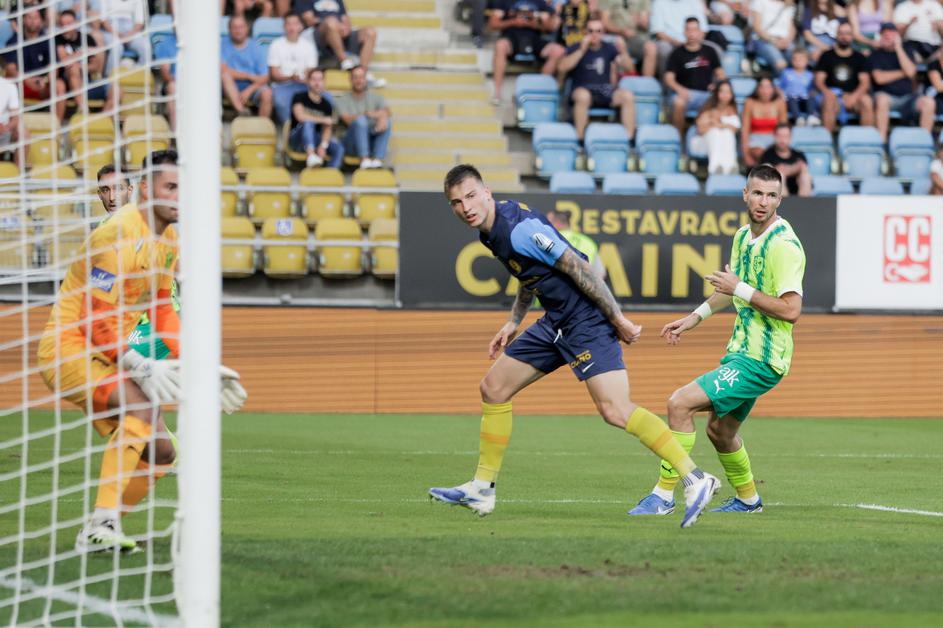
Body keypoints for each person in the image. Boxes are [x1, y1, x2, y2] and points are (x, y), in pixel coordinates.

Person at [429, 164, 721, 528]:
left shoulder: (518, 229)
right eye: (457, 202)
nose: (466, 207)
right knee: (493, 388)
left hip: (586, 319)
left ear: (486, 192)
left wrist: (617, 319)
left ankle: (695, 478)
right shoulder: (491, 230)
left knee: (615, 410)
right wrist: (514, 321)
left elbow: (580, 268)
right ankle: (481, 489)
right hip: (555, 321)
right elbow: (527, 274)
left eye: (471, 196)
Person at [37, 150, 247, 554]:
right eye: (171, 187)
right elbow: (93, 319)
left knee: (163, 452)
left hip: (107, 352)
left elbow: (163, 308)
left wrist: (196, 364)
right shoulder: (115, 235)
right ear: (147, 189)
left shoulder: (169, 240)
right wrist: (139, 362)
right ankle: (101, 525)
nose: (180, 197)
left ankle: (101, 527)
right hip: (68, 347)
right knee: (142, 410)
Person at [628, 164, 805, 517]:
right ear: (745, 194)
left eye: (771, 196)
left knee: (679, 404)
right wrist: (694, 318)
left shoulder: (784, 246)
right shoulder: (742, 237)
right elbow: (730, 290)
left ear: (780, 200)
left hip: (762, 358)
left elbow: (791, 310)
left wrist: (739, 288)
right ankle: (748, 499)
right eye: (757, 193)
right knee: (720, 431)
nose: (763, 202)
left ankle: (665, 496)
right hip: (742, 351)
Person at [557, 17, 637, 143]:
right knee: (583, 96)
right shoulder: (576, 47)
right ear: (585, 32)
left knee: (627, 95)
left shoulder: (609, 48)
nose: (594, 34)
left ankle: (629, 140)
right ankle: (580, 139)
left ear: (603, 33)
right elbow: (562, 67)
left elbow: (630, 68)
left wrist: (624, 51)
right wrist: (581, 50)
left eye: (598, 31)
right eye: (591, 31)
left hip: (604, 90)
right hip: (583, 90)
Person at [869, 22, 935, 142]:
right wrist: (903, 72)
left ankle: (924, 142)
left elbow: (911, 72)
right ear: (880, 36)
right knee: (882, 100)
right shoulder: (876, 54)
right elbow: (879, 78)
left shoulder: (906, 50)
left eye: (891, 33)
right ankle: (881, 142)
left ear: (897, 36)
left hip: (908, 98)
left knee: (928, 102)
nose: (888, 36)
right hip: (888, 98)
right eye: (885, 34)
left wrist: (898, 48)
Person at [488, 0, 561, 105]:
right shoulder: (504, 2)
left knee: (557, 51)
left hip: (534, 39)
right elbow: (492, 24)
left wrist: (534, 24)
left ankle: (539, 91)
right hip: (511, 38)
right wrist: (513, 22)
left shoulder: (540, 2)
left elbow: (550, 27)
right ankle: (497, 93)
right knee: (500, 45)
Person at [3, 6, 67, 122]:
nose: (33, 21)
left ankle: (57, 127)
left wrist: (45, 80)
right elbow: (11, 69)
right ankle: (11, 126)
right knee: (8, 82)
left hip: (43, 85)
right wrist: (28, 80)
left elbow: (54, 68)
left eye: (36, 17)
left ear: (41, 20)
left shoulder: (48, 41)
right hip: (22, 85)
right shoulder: (13, 41)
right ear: (23, 19)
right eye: (29, 17)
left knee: (59, 85)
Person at [664, 17, 725, 133]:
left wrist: (716, 85)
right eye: (688, 30)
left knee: (718, 99)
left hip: (705, 94)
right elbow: (668, 78)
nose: (691, 33)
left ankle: (700, 134)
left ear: (700, 32)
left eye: (694, 30)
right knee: (678, 102)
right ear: (684, 32)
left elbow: (721, 74)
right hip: (685, 95)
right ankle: (678, 137)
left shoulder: (710, 51)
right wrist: (680, 89)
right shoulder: (676, 53)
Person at [814, 20, 873, 133]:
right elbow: (819, 81)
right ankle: (828, 139)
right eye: (841, 33)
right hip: (832, 96)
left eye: (847, 33)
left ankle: (866, 139)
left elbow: (865, 82)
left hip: (853, 96)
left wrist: (854, 97)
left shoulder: (859, 57)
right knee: (829, 101)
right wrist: (828, 93)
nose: (844, 37)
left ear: (852, 36)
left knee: (867, 101)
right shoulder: (826, 56)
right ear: (836, 35)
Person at [295, 0, 379, 79]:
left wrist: (345, 28)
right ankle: (344, 61)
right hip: (319, 34)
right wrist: (333, 24)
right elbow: (309, 20)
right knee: (331, 22)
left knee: (370, 32)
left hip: (339, 32)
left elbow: (345, 19)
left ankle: (361, 72)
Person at [56, 9, 117, 113]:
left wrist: (80, 66)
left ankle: (102, 119)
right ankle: (83, 110)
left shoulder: (87, 39)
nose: (65, 28)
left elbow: (95, 66)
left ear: (76, 24)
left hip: (87, 83)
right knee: (73, 68)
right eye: (62, 24)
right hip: (67, 87)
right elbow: (65, 61)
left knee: (117, 91)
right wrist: (81, 54)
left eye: (68, 24)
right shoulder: (57, 39)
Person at [268, 12, 320, 125]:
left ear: (300, 26)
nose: (292, 27)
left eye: (295, 24)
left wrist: (304, 78)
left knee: (325, 97)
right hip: (282, 86)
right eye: (289, 24)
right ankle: (290, 128)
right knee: (281, 102)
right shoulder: (276, 45)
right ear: (284, 26)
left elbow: (311, 71)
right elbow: (274, 74)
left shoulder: (309, 46)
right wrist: (291, 77)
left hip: (304, 85)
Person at [335, 65, 390, 169]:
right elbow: (347, 120)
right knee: (360, 121)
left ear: (365, 79)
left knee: (387, 120)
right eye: (355, 77)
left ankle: (377, 159)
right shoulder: (342, 99)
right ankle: (364, 159)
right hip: (351, 144)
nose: (358, 80)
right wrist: (369, 114)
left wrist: (382, 117)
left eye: (361, 77)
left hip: (370, 140)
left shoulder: (375, 97)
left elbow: (387, 112)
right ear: (350, 79)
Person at [289, 67, 343, 168]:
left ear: (324, 82)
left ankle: (332, 172)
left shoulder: (327, 104)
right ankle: (311, 155)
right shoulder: (299, 97)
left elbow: (328, 126)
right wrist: (323, 119)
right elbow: (300, 117)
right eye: (314, 79)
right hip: (297, 140)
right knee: (308, 122)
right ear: (308, 81)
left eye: (320, 79)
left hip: (316, 138)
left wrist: (323, 146)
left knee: (338, 148)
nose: (317, 83)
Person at [221, 15, 274, 118]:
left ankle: (261, 126)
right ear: (229, 29)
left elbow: (264, 77)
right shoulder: (221, 44)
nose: (238, 30)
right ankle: (242, 112)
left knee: (267, 93)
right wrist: (249, 76)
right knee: (225, 76)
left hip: (252, 86)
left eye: (241, 27)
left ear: (247, 28)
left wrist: (249, 90)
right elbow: (223, 70)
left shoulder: (257, 47)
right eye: (235, 27)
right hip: (226, 86)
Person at [692, 79, 741, 174]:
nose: (725, 95)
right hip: (702, 143)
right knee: (715, 133)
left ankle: (731, 167)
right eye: (722, 91)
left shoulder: (732, 110)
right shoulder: (708, 109)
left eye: (728, 92)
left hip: (722, 142)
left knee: (727, 133)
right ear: (716, 93)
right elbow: (700, 130)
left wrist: (719, 125)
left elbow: (735, 129)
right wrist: (713, 125)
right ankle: (715, 168)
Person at [649, 0, 710, 77]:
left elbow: (703, 29)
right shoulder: (659, 2)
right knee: (664, 48)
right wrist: (678, 43)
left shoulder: (695, 2)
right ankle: (666, 82)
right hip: (669, 42)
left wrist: (693, 42)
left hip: (693, 40)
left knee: (714, 49)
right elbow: (658, 32)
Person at [545, 208, 606, 280]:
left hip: (558, 284)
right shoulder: (588, 241)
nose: (543, 224)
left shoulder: (550, 238)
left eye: (547, 221)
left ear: (557, 222)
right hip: (584, 284)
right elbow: (601, 273)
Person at [741, 77, 787, 168]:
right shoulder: (750, 102)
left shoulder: (780, 103)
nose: (765, 91)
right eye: (762, 87)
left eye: (768, 87)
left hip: (774, 138)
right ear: (757, 89)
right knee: (762, 154)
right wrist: (745, 153)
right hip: (756, 139)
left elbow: (784, 129)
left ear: (773, 89)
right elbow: (745, 129)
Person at [599, 0, 654, 76]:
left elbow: (645, 23)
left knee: (651, 47)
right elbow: (605, 22)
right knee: (620, 44)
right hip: (615, 36)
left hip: (636, 38)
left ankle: (646, 82)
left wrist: (642, 20)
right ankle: (633, 77)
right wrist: (622, 31)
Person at [760, 123, 812, 197]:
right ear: (774, 137)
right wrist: (779, 171)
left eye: (785, 136)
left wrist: (791, 170)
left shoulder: (799, 155)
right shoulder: (767, 155)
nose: (782, 139)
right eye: (779, 136)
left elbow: (803, 166)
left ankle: (805, 202)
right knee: (779, 175)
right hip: (775, 194)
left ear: (790, 137)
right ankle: (784, 202)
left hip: (798, 190)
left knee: (805, 176)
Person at [749, 0, 796, 75]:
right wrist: (774, 41)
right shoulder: (759, 2)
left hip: (785, 41)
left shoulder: (788, 5)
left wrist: (788, 40)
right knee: (780, 63)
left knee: (799, 60)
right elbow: (757, 27)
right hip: (764, 40)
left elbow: (792, 28)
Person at [775, 48, 818, 126]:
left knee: (811, 99)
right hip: (790, 99)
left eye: (801, 60)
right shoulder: (786, 73)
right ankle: (798, 118)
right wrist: (781, 95)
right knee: (792, 100)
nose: (798, 62)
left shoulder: (810, 75)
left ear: (807, 61)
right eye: (795, 59)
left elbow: (812, 89)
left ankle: (811, 116)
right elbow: (779, 87)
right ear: (791, 60)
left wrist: (813, 93)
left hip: (804, 99)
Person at [98, 0, 149, 66]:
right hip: (110, 29)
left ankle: (141, 71)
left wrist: (129, 35)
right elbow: (103, 20)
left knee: (145, 46)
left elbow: (139, 22)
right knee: (117, 48)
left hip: (130, 29)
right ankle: (110, 72)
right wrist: (117, 34)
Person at [0, 75, 27, 166]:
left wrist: (6, 128)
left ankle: (18, 172)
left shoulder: (9, 85)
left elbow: (15, 118)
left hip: (5, 131)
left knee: (24, 134)